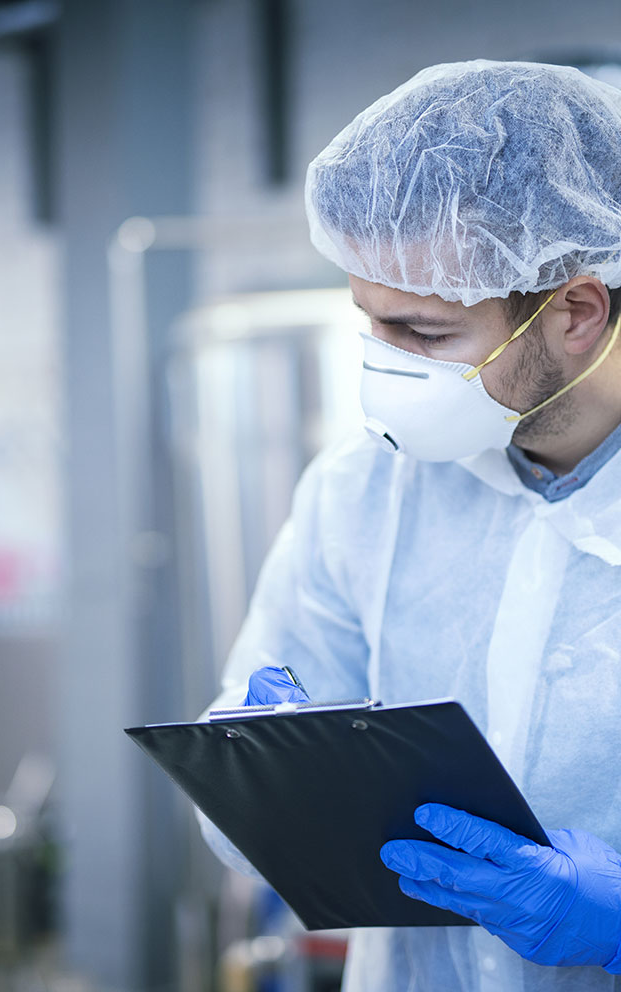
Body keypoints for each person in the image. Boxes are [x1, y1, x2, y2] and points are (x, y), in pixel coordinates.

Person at [199, 60, 621, 991]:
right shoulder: (363, 492)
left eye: (425, 335)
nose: (383, 370)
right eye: (368, 322)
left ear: (578, 313)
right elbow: (246, 824)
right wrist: (257, 773)